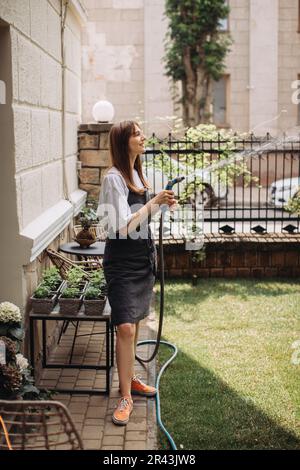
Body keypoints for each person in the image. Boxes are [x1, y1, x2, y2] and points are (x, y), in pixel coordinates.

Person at [97, 120, 176, 425]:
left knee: (137, 322)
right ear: (123, 141)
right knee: (125, 328)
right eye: (137, 134)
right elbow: (120, 225)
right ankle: (125, 396)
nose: (144, 137)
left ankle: (130, 381)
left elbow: (141, 218)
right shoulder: (113, 179)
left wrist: (161, 203)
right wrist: (152, 202)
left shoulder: (137, 174)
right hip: (121, 263)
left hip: (143, 258)